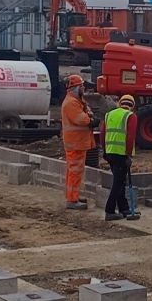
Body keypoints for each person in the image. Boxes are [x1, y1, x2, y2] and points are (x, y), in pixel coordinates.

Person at [59, 74, 97, 210]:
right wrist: (91, 121)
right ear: (75, 87)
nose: (84, 88)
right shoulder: (71, 102)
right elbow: (81, 119)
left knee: (74, 172)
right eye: (81, 86)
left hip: (77, 142)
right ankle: (72, 200)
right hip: (75, 143)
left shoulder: (76, 100)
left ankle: (73, 196)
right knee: (75, 172)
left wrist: (91, 117)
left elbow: (86, 113)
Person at [101, 94, 140, 221]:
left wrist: (105, 151)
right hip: (121, 154)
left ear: (120, 103)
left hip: (110, 152)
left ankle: (124, 208)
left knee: (121, 181)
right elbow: (130, 138)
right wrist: (128, 155)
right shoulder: (131, 116)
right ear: (132, 106)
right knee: (118, 183)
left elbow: (102, 134)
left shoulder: (109, 115)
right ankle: (109, 210)